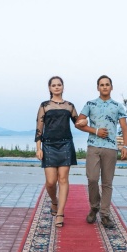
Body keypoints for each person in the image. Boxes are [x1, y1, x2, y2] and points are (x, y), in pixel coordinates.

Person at [75, 75, 127, 229]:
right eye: (102, 84)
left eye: (107, 84)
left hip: (111, 148)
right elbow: (78, 124)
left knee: (107, 183)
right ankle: (94, 207)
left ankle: (105, 214)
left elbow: (124, 127)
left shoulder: (117, 106)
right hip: (93, 146)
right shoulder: (90, 104)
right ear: (97, 87)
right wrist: (95, 131)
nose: (104, 87)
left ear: (111, 87)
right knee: (92, 179)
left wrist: (125, 146)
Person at [35, 76, 81, 228]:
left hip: (65, 144)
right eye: (53, 85)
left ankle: (60, 213)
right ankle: (54, 201)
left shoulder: (69, 106)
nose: (56, 87)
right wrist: (38, 148)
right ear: (49, 88)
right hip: (48, 145)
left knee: (63, 179)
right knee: (50, 182)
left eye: (59, 85)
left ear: (63, 87)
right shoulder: (44, 106)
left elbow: (78, 123)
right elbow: (39, 128)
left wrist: (86, 122)